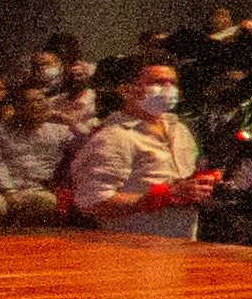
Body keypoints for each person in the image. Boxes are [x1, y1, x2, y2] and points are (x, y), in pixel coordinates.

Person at [62, 57, 208, 238]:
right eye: (157, 82)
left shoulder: (180, 130)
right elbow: (90, 202)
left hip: (182, 246)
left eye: (172, 83)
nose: (168, 89)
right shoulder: (113, 137)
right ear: (126, 90)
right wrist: (163, 197)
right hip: (134, 250)